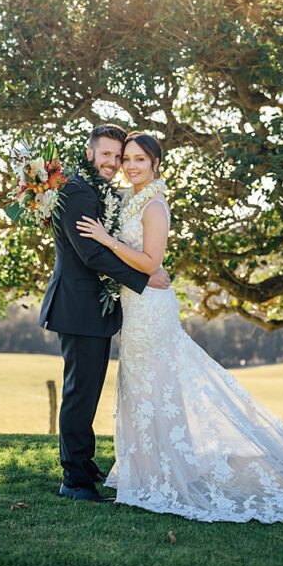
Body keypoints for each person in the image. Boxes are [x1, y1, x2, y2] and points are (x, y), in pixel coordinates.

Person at [75, 131, 283, 522]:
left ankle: (167, 471)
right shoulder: (127, 200)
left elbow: (152, 263)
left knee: (159, 383)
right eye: (128, 159)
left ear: (155, 165)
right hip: (134, 307)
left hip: (151, 307)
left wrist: (105, 239)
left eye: (140, 160)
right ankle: (149, 467)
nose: (131, 166)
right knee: (142, 385)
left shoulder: (154, 205)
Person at [40, 123, 172, 503]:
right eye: (107, 155)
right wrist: (143, 280)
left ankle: (84, 462)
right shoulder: (78, 191)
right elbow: (91, 254)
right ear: (89, 153)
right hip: (78, 309)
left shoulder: (101, 190)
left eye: (119, 156)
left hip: (93, 311)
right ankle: (75, 480)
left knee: (88, 391)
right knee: (80, 394)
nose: (113, 163)